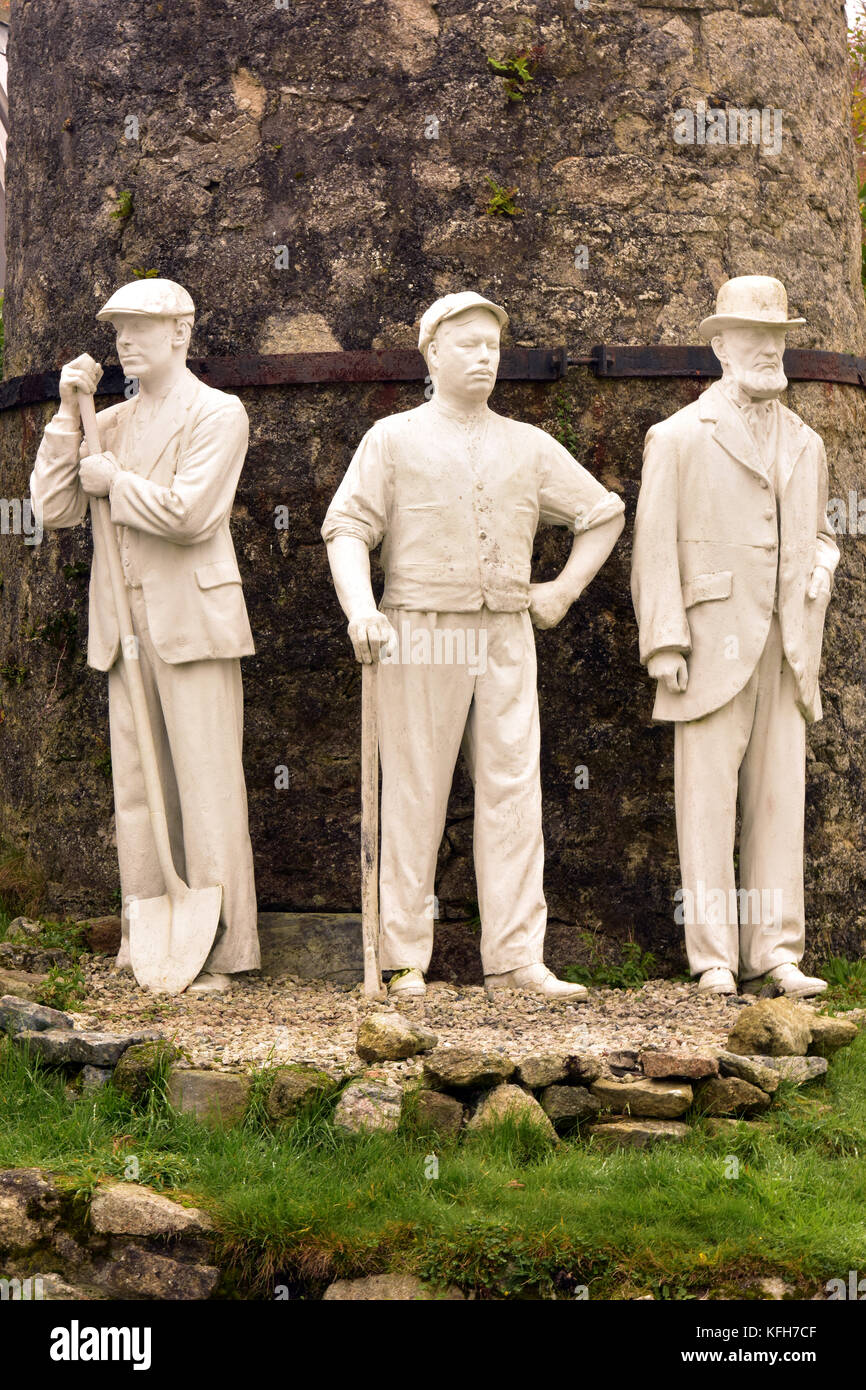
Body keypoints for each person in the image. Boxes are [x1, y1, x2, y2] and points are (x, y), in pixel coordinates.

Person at [322, 291, 624, 1001]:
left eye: (493, 345)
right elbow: (347, 528)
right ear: (432, 352)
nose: (485, 357)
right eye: (468, 345)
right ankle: (401, 958)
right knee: (416, 790)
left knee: (513, 792)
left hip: (506, 633)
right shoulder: (393, 439)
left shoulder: (527, 444)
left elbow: (602, 513)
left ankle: (517, 960)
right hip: (421, 629)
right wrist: (360, 609)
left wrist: (562, 589)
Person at [30, 278, 260, 992]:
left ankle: (222, 948)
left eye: (140, 328)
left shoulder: (220, 414)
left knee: (206, 783)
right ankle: (146, 935)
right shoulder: (112, 422)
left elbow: (193, 515)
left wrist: (115, 482)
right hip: (122, 625)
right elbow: (53, 507)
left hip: (191, 621)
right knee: (136, 789)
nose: (125, 342)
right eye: (118, 330)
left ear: (181, 334)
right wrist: (71, 418)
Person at [631, 275, 838, 997]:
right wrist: (664, 641)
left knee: (780, 799)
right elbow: (653, 546)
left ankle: (777, 951)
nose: (768, 350)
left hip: (786, 646)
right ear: (721, 345)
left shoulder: (807, 443)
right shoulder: (680, 436)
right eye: (754, 337)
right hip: (711, 639)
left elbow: (816, 536)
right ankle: (713, 954)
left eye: (778, 337)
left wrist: (820, 568)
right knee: (707, 803)